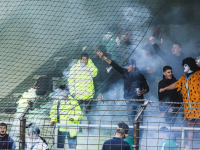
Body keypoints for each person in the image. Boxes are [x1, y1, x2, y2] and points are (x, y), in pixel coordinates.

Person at [95, 49, 149, 123]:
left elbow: (147, 88)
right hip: (129, 101)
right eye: (126, 66)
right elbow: (113, 64)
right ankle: (132, 133)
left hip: (139, 102)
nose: (127, 67)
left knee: (140, 120)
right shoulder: (125, 72)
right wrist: (103, 56)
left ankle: (140, 133)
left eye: (128, 66)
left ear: (133, 66)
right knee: (131, 120)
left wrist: (142, 92)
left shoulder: (140, 76)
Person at [159, 57, 200, 149]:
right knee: (190, 126)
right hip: (188, 107)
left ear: (190, 65)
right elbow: (176, 85)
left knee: (199, 125)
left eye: (185, 65)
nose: (184, 67)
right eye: (183, 65)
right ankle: (189, 146)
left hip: (198, 106)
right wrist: (165, 88)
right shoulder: (183, 77)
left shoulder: (198, 74)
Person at [68, 53, 98, 124]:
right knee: (78, 113)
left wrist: (90, 62)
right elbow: (71, 80)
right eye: (83, 59)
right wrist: (72, 92)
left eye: (86, 59)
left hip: (89, 95)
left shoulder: (90, 66)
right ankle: (78, 128)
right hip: (78, 95)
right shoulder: (74, 67)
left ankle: (90, 129)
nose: (84, 61)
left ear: (88, 59)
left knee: (90, 113)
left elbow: (95, 73)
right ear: (80, 59)